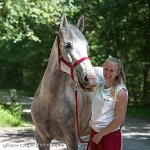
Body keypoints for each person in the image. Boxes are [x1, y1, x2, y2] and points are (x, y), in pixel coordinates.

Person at [89, 57, 128, 150]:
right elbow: (81, 85)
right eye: (106, 69)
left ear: (118, 72)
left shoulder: (121, 91)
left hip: (111, 135)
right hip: (94, 132)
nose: (107, 73)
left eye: (111, 70)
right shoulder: (97, 86)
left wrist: (100, 135)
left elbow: (119, 119)